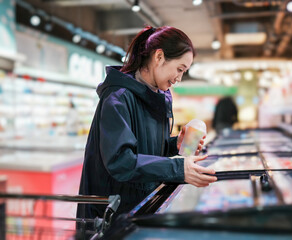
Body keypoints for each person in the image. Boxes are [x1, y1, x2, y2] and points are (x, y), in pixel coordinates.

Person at [77, 26, 217, 221]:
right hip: (113, 217)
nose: (179, 78)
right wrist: (177, 169)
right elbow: (121, 161)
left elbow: (143, 148)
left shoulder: (154, 96)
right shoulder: (118, 98)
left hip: (141, 208)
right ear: (159, 57)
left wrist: (172, 145)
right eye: (179, 69)